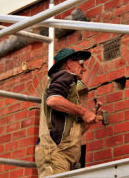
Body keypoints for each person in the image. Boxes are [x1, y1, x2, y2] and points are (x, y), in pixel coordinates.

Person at [35, 48, 101, 177]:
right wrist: (83, 112)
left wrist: (89, 117)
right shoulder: (65, 76)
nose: (84, 68)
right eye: (81, 63)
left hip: (62, 156)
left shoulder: (69, 93)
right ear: (69, 64)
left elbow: (74, 132)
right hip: (56, 154)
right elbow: (53, 100)